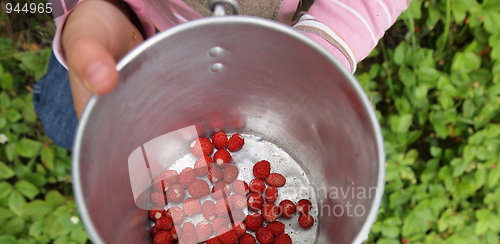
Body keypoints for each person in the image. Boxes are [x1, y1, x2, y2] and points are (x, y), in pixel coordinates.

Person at [33, 0, 411, 150]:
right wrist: (89, 13)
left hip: (267, 51)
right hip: (134, 36)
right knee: (66, 118)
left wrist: (323, 44)